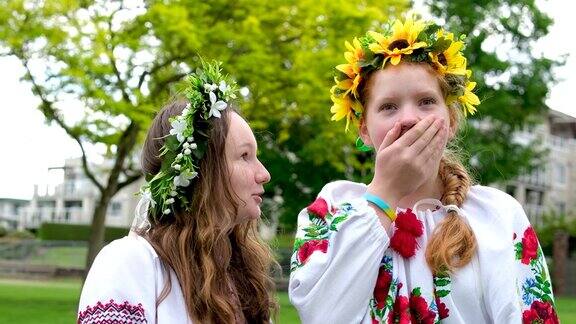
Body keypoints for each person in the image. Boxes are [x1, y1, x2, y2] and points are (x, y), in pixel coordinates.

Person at [289, 16, 558, 324]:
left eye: (427, 102)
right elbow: (322, 314)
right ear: (364, 130)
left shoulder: (495, 214)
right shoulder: (333, 209)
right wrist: (385, 192)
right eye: (388, 106)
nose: (409, 118)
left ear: (452, 121)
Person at [78, 60, 277, 323]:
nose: (264, 174)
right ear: (200, 170)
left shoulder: (241, 275)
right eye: (244, 156)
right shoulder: (131, 263)